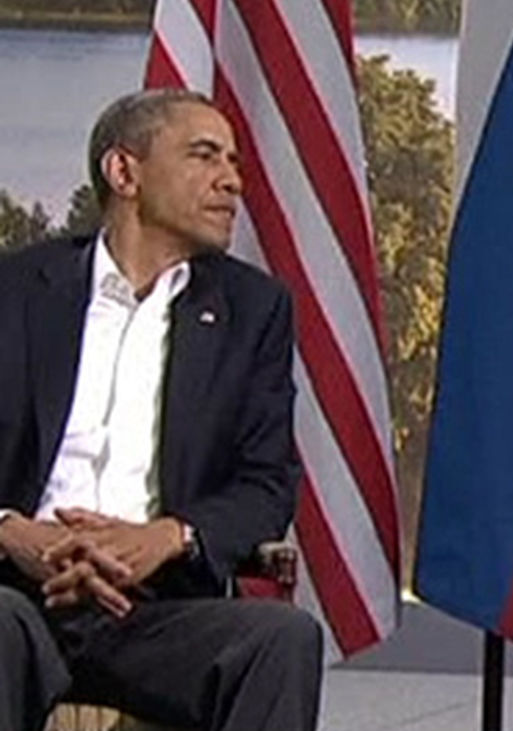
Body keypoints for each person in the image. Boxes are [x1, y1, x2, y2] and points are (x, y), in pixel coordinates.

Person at [0, 89, 321, 730]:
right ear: (124, 172)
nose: (231, 181)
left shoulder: (252, 310)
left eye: (233, 162)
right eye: (205, 155)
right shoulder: (16, 291)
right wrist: (12, 531)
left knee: (281, 638)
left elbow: (267, 484)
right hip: (16, 594)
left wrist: (169, 537)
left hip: (153, 607)